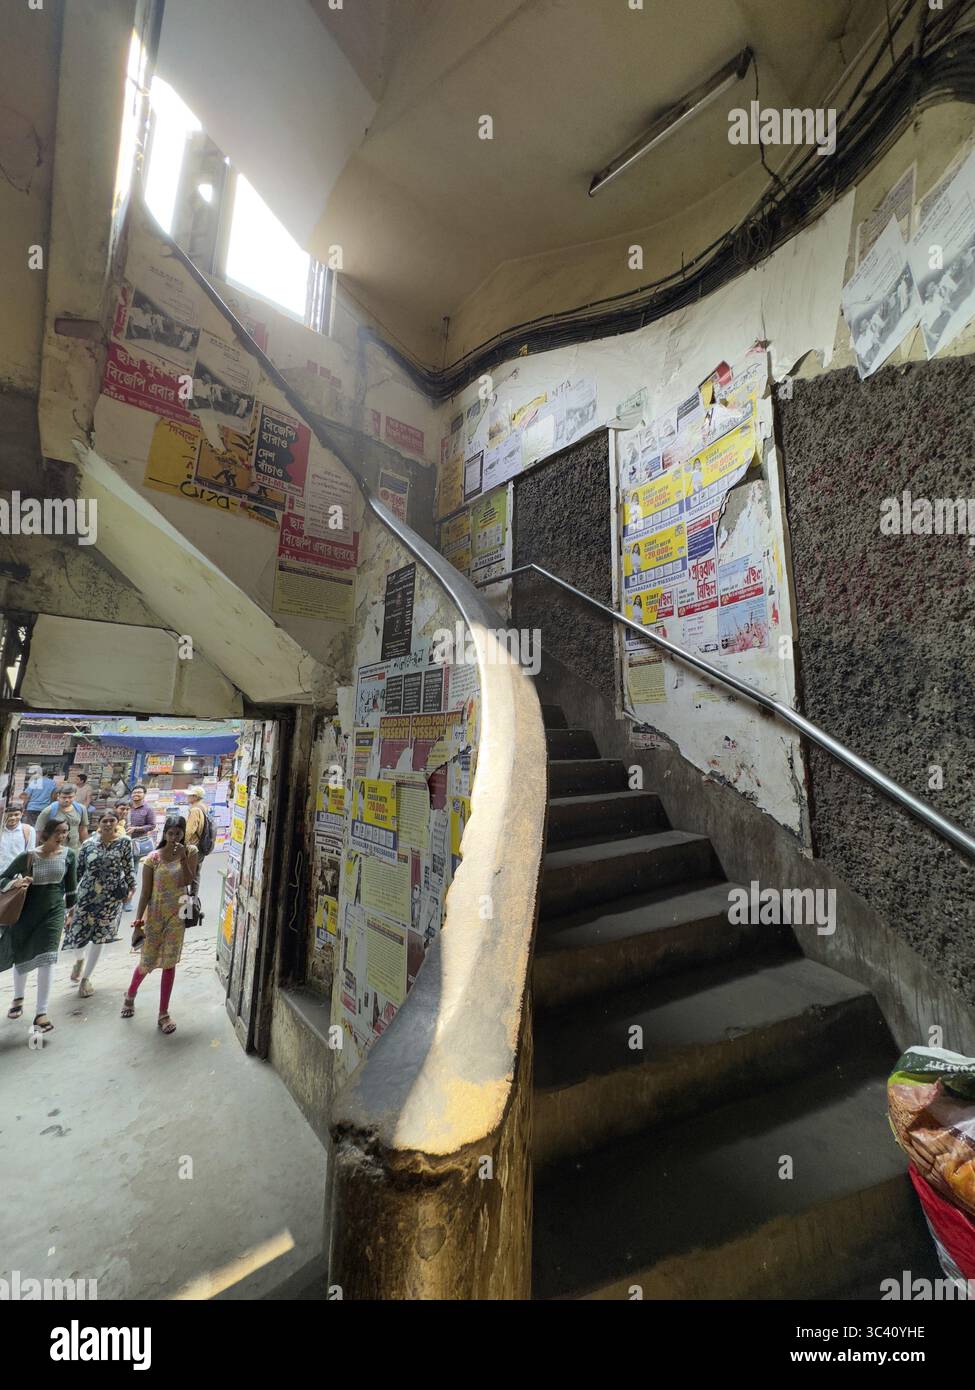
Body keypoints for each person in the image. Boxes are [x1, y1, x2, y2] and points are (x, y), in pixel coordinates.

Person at [0, 815, 77, 1034]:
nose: (62, 837)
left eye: (65, 832)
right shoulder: (29, 857)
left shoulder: (69, 856)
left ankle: (41, 1013)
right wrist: (17, 881)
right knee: (22, 956)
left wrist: (71, 912)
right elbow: (2, 878)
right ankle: (18, 997)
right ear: (46, 834)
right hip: (26, 914)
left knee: (48, 959)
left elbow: (71, 888)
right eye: (57, 832)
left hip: (53, 914)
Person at [122, 816, 197, 1035]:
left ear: (183, 834)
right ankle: (130, 995)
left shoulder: (190, 852)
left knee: (169, 963)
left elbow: (187, 881)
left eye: (178, 833)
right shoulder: (152, 859)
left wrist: (183, 859)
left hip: (177, 915)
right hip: (154, 916)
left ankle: (163, 1013)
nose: (174, 837)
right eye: (171, 833)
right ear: (165, 833)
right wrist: (138, 923)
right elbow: (145, 893)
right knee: (146, 961)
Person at [62, 810, 136, 998]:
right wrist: (69, 898)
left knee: (100, 937)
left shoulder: (125, 842)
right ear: (99, 823)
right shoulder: (88, 845)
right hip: (86, 896)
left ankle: (86, 979)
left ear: (117, 823)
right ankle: (79, 960)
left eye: (112, 820)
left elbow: (129, 867)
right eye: (105, 820)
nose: (108, 824)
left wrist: (131, 889)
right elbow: (77, 872)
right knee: (78, 934)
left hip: (111, 899)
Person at [125, 785, 157, 910]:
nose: (136, 794)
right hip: (122, 842)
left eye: (139, 792)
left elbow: (152, 825)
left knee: (132, 872)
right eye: (134, 792)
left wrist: (136, 829)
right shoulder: (127, 807)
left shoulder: (148, 809)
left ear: (144, 794)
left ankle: (128, 901)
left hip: (136, 844)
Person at [35, 783, 89, 850]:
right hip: (54, 849)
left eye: (70, 797)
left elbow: (83, 830)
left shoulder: (81, 809)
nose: (67, 800)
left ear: (75, 796)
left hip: (74, 848)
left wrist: (86, 847)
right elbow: (39, 832)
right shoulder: (48, 811)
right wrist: (37, 850)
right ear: (58, 796)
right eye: (64, 797)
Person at [0, 805, 35, 876]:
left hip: (17, 874)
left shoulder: (29, 830)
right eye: (9, 815)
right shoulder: (1, 831)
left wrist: (26, 873)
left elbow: (30, 853)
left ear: (22, 814)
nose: (13, 818)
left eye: (16, 814)